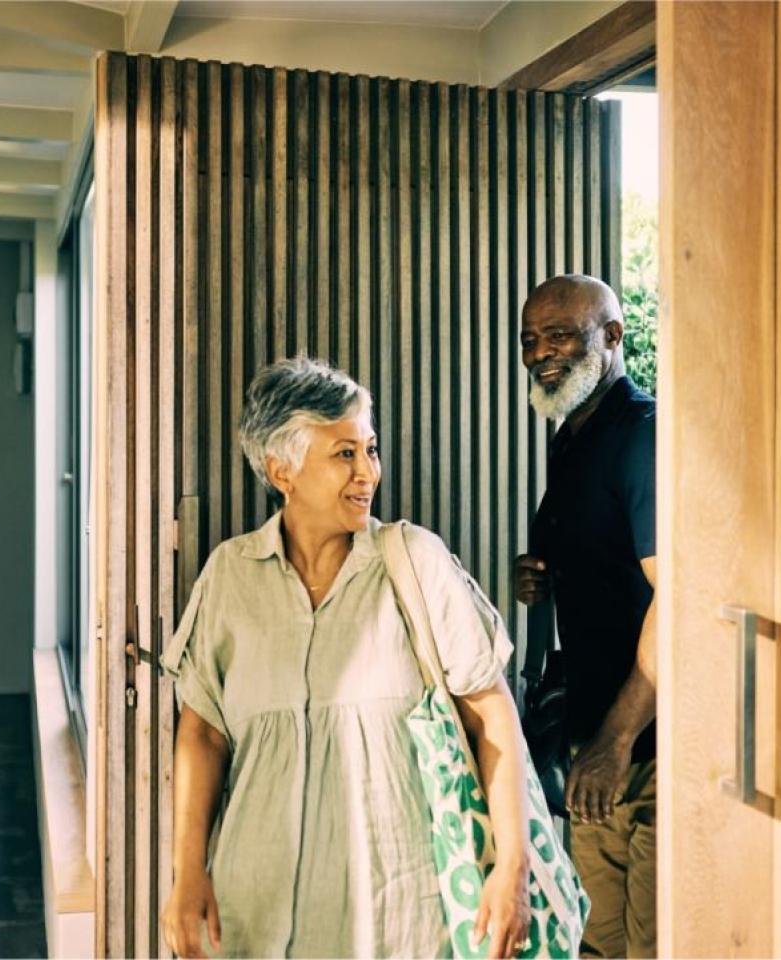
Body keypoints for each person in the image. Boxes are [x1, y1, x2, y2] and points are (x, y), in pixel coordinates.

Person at [160, 357, 533, 959]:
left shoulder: (414, 562)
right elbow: (202, 731)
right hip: (255, 914)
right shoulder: (230, 575)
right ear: (282, 470)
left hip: (401, 919)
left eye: (370, 450)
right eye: (344, 454)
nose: (368, 473)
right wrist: (186, 872)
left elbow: (491, 713)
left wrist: (512, 867)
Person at [513, 275, 657, 958]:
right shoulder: (571, 437)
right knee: (598, 948)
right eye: (530, 338)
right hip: (593, 750)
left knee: (659, 944)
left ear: (612, 337)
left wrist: (617, 741)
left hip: (650, 753)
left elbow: (678, 599)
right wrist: (541, 574)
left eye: (561, 333)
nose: (541, 351)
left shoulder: (643, 437)